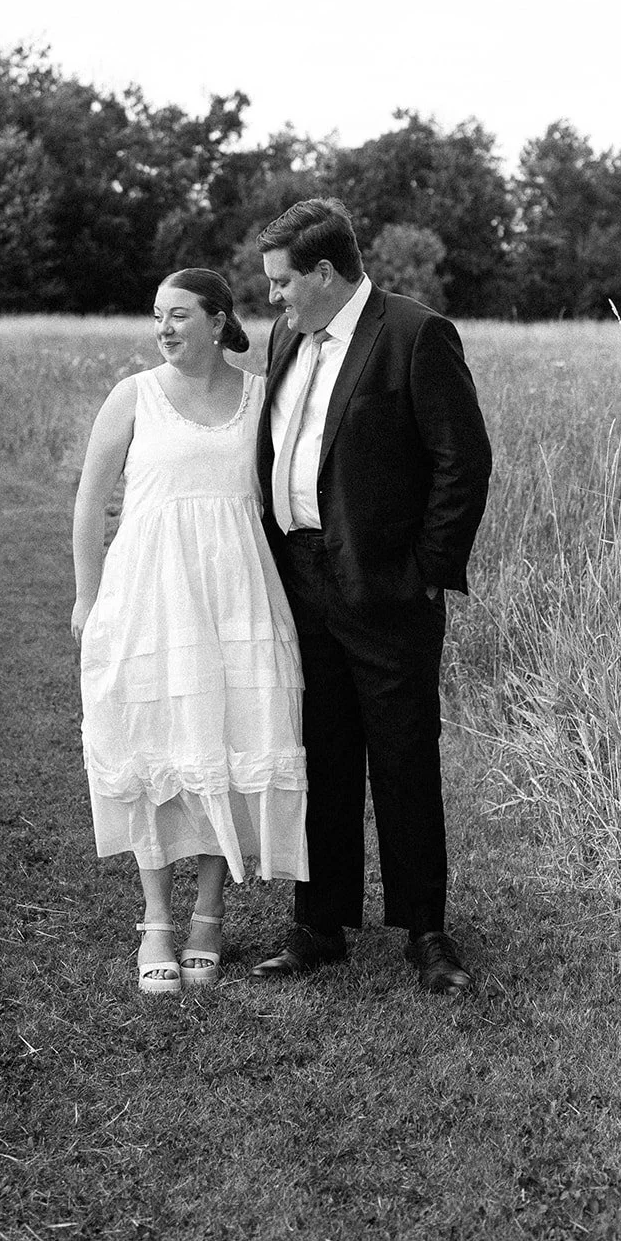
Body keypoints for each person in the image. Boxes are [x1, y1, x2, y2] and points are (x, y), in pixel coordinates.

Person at [250, 198, 492, 993]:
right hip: (299, 579)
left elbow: (463, 462)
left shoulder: (413, 334)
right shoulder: (289, 333)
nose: (273, 300)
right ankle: (319, 926)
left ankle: (425, 933)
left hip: (387, 588)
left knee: (402, 761)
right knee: (317, 756)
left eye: (282, 283)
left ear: (324, 272)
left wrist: (424, 570)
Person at [73, 268, 308, 995]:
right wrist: (86, 599)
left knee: (230, 739)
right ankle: (155, 922)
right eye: (156, 317)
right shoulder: (133, 396)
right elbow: (88, 506)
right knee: (150, 745)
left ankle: (208, 915)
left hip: (236, 594)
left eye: (178, 316)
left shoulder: (260, 397)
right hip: (148, 593)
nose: (164, 329)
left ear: (216, 320)